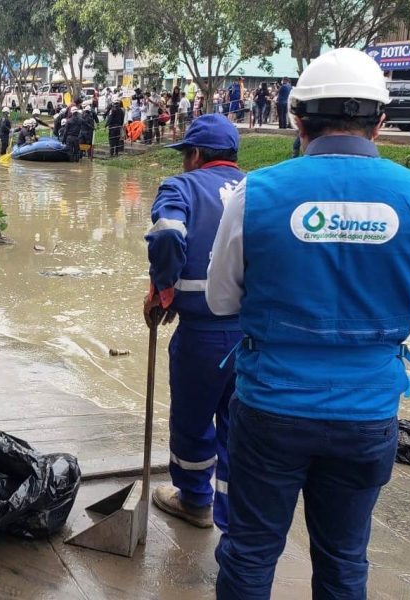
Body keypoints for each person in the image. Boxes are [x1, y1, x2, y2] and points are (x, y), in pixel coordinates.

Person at [206, 48, 410, 599]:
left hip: (271, 408)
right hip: (367, 415)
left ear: (297, 120)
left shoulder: (255, 192)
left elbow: (222, 300)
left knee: (250, 552)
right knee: (345, 559)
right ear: (382, 121)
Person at [145, 114, 245, 532]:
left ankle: (195, 500)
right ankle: (231, 516)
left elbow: (168, 233)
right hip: (252, 336)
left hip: (202, 333)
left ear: (196, 155)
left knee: (192, 419)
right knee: (236, 426)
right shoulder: (260, 188)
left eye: (185, 154)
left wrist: (164, 288)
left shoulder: (181, 186)